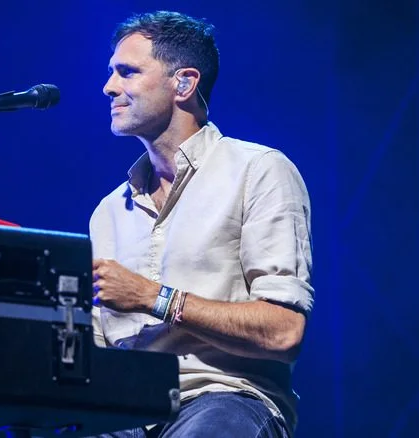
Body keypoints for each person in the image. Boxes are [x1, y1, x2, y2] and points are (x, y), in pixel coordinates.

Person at [89, 11, 314, 438]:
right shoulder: (108, 211)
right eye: (111, 73)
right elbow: (97, 348)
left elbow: (285, 332)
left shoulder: (259, 170)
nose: (109, 87)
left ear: (184, 83)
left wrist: (154, 297)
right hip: (121, 412)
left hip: (225, 398)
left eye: (128, 72)